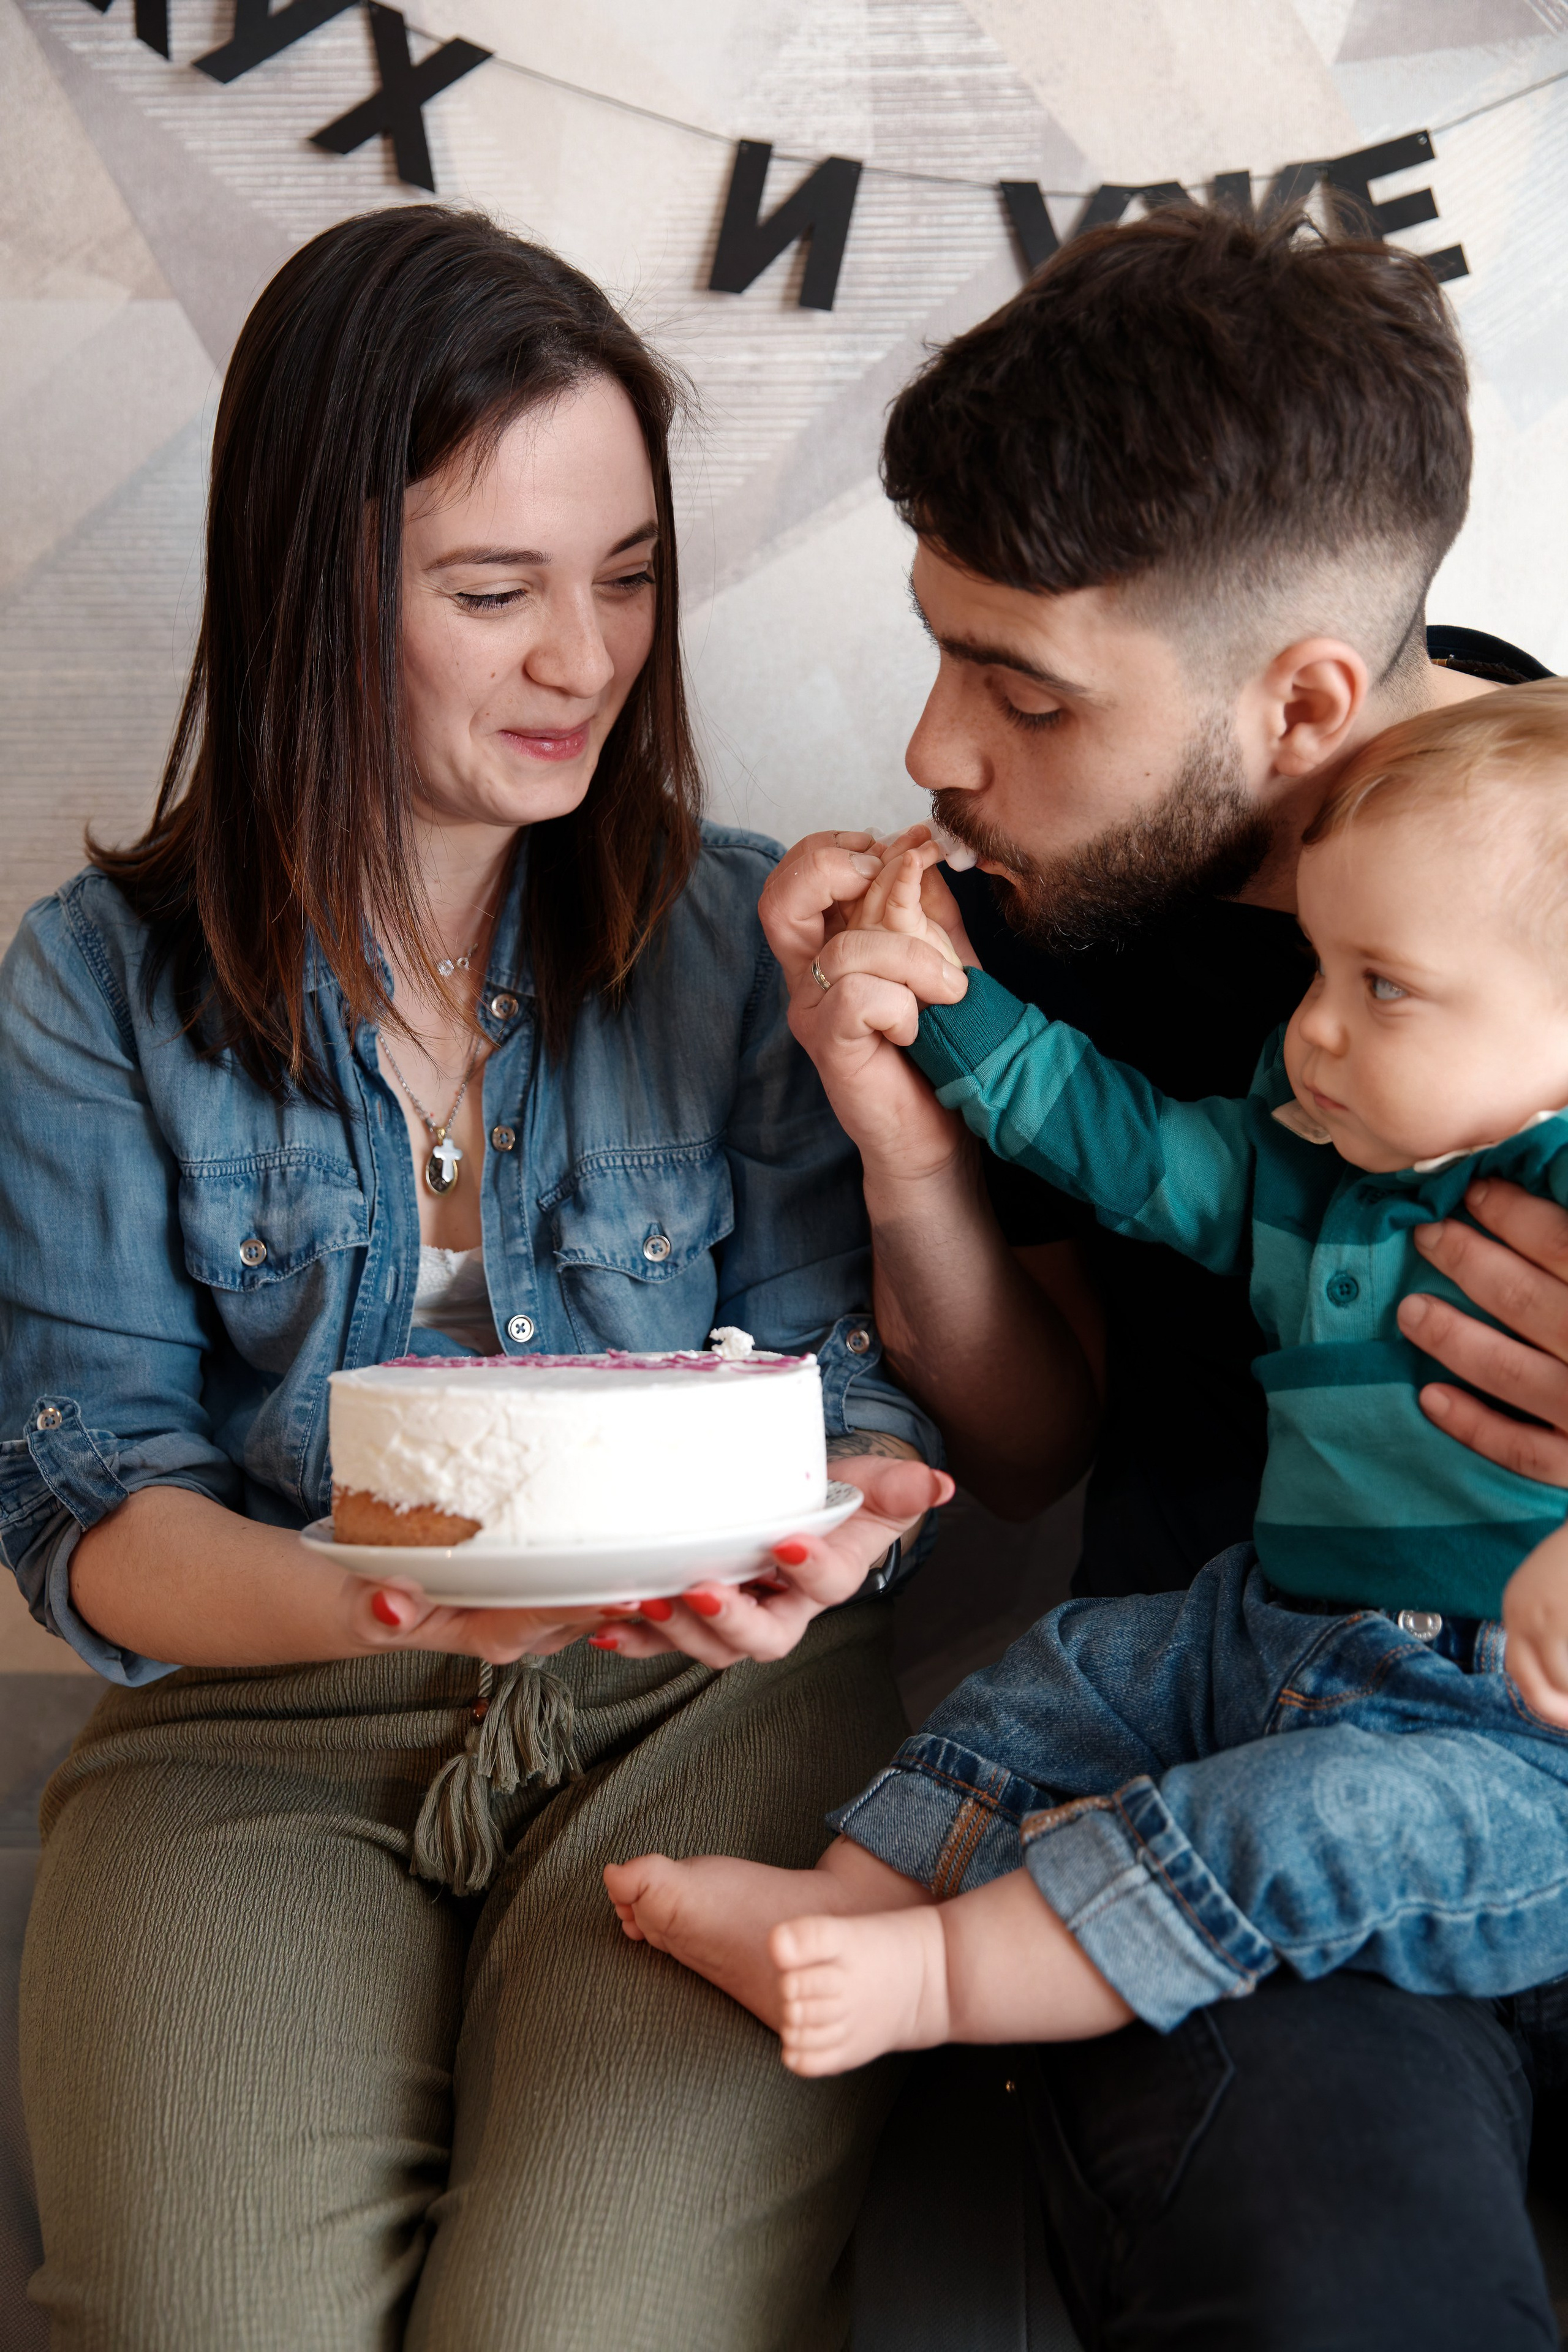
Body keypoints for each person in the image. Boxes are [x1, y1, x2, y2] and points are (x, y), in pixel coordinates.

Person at [0, 205, 949, 2352]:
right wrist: (392, 1600)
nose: (584, 661)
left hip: (701, 1707)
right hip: (258, 1723)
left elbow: (844, 1405)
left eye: (628, 582)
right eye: (493, 591)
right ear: (308, 589)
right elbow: (84, 1500)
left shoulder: (735, 944)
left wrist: (847, 1535)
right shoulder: (92, 988)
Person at [621, 204, 1568, 2349]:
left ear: (1307, 695)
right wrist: (901, 1127)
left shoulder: (1556, 863)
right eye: (942, 648)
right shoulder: (1053, 915)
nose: (938, 750)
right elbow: (1030, 1436)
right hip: (1239, 1796)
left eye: (1024, 688)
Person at [606, 685, 1568, 2080]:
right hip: (1259, 1623)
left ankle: (935, 1977)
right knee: (1054, 1677)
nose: (1313, 1031)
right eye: (1314, 970)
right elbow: (1117, 1142)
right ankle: (846, 1897)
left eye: (1383, 988)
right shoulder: (1301, 1153)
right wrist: (944, 1004)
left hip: (1491, 1738)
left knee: (1306, 1821)